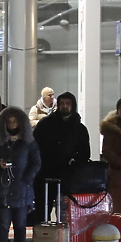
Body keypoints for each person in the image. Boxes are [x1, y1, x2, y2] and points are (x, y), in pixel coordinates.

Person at [0, 106, 41, 242]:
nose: (12, 124)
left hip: (21, 190)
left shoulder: (28, 143)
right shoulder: (0, 143)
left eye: (15, 121)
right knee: (3, 224)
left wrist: (26, 179)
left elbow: (36, 163)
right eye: (9, 121)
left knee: (20, 225)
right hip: (3, 190)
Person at [32, 91, 91, 222]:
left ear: (73, 105)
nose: (65, 106)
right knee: (42, 209)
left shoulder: (79, 129)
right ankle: (43, 237)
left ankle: (64, 238)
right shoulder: (45, 125)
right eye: (62, 103)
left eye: (68, 103)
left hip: (69, 175)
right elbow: (34, 146)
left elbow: (85, 153)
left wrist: (74, 163)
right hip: (45, 173)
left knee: (66, 210)